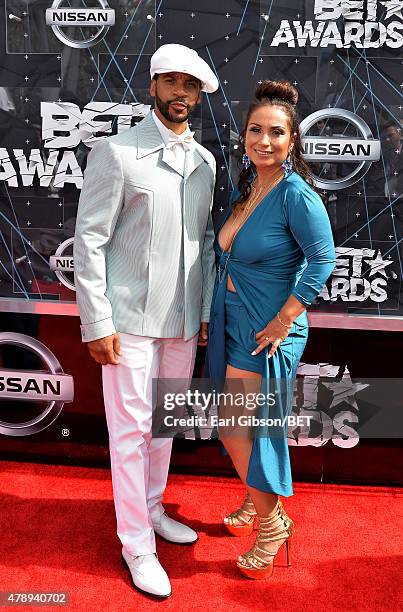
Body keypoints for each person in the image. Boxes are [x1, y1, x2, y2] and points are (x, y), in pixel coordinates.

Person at [73, 44, 218, 598]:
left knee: (162, 427)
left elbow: (203, 244)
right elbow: (89, 242)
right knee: (130, 433)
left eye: (191, 85)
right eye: (171, 82)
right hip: (128, 321)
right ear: (153, 86)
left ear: (200, 94)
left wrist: (202, 314)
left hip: (180, 321)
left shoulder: (204, 162)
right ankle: (135, 543)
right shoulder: (118, 152)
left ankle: (153, 511)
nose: (181, 93)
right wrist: (95, 322)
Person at [205, 80, 336, 580]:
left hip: (269, 327)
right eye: (255, 130)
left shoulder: (296, 195)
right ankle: (255, 496)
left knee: (237, 427)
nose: (264, 140)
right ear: (244, 136)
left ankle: (271, 523)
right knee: (239, 424)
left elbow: (323, 259)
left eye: (275, 132)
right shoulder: (249, 186)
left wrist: (284, 319)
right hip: (234, 319)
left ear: (292, 141)